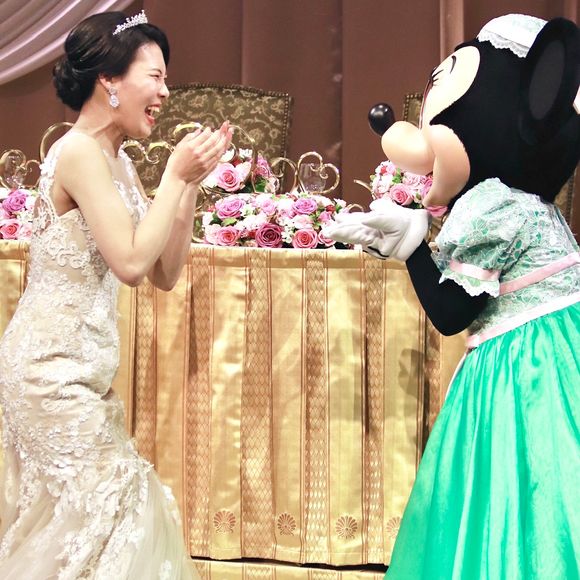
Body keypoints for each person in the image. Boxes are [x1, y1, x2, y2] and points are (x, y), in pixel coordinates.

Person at [325, 14, 580, 579]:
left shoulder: (495, 205)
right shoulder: (531, 205)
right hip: (560, 348)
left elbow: (451, 312)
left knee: (523, 494)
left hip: (525, 370)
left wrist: (413, 248)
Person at [0, 10, 231, 579]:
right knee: (117, 505)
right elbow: (129, 263)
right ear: (108, 80)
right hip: (49, 373)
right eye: (155, 76)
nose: (165, 92)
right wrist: (172, 177)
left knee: (89, 527)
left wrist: (188, 186)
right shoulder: (78, 151)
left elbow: (164, 271)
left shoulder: (118, 161)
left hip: (86, 373)